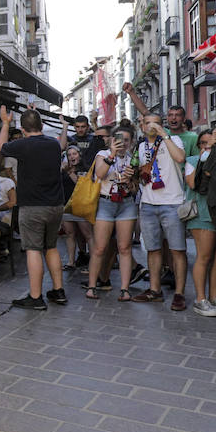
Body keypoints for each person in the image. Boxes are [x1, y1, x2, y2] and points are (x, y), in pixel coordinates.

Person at [0, 106, 68, 309]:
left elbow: (2, 147)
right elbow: (61, 144)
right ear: (43, 125)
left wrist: (5, 122)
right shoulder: (54, 145)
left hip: (33, 206)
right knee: (51, 247)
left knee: (33, 249)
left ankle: (36, 297)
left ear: (22, 129)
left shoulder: (22, 145)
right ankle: (58, 290)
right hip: (55, 204)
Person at [132, 114, 189, 309]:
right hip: (148, 204)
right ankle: (155, 290)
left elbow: (180, 158)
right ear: (142, 126)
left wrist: (163, 134)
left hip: (172, 203)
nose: (152, 126)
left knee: (177, 250)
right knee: (153, 249)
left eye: (156, 122)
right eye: (148, 123)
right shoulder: (140, 147)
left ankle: (179, 293)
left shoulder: (173, 140)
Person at [83, 126, 140, 301]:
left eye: (126, 140)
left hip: (126, 204)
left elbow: (136, 189)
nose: (122, 143)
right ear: (111, 140)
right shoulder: (102, 154)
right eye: (118, 139)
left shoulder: (132, 159)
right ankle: (92, 286)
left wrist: (130, 180)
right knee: (100, 247)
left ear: (131, 142)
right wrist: (112, 155)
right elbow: (99, 174)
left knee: (124, 247)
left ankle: (124, 289)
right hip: (105, 203)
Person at [183, 133, 216, 316]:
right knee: (204, 256)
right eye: (204, 144)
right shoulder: (192, 160)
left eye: (212, 145)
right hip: (201, 213)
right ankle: (200, 299)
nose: (208, 148)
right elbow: (193, 183)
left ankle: (215, 297)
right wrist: (204, 159)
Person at [60, 145, 95, 272]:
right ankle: (70, 262)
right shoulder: (63, 169)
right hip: (66, 205)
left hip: (81, 206)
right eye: (69, 155)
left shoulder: (85, 169)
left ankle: (93, 262)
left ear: (79, 155)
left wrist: (70, 172)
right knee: (70, 234)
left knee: (88, 235)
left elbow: (81, 186)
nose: (72, 157)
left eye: (74, 154)